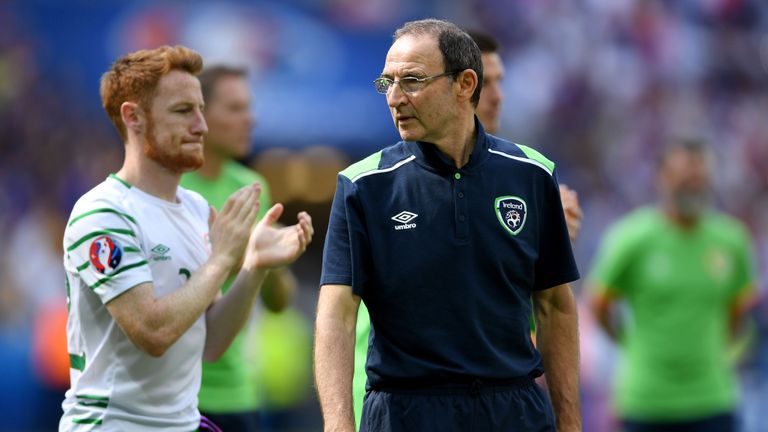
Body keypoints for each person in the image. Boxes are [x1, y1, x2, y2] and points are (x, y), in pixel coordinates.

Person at [315, 19, 581, 432]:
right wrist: (337, 425)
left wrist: (570, 423)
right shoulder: (363, 185)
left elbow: (555, 305)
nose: (395, 98)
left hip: (514, 410)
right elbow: (336, 315)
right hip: (407, 412)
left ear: (465, 84)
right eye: (387, 83)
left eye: (413, 81)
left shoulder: (532, 174)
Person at [59, 45, 313, 431]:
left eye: (200, 109)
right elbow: (153, 333)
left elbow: (210, 343)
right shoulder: (103, 212)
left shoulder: (194, 209)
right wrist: (222, 259)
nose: (202, 126)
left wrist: (254, 267)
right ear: (134, 117)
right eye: (183, 111)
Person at [589, 139, 757, 432]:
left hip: (713, 399)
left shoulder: (732, 240)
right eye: (683, 179)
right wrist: (629, 342)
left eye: (699, 179)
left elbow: (740, 310)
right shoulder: (632, 239)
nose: (692, 187)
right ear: (661, 179)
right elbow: (598, 303)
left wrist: (715, 350)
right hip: (646, 401)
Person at [180, 65, 297, 431]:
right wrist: (234, 252)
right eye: (235, 109)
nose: (250, 119)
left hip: (241, 393)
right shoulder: (174, 186)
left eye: (248, 108)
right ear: (201, 114)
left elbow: (278, 304)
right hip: (181, 393)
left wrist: (273, 259)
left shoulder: (251, 186)